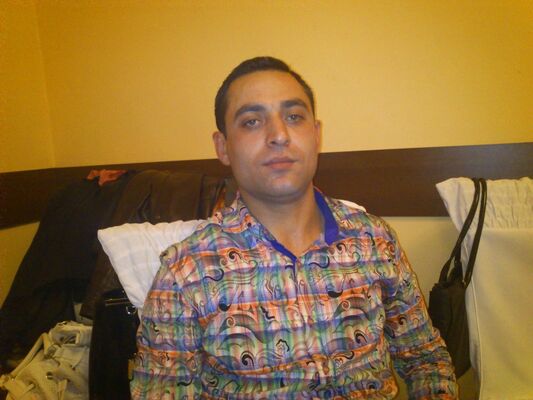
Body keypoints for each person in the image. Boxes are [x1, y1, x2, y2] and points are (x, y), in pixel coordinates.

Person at [130, 56, 458, 399]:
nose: (279, 135)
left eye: (294, 117)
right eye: (252, 121)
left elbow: (426, 360)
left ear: (316, 134)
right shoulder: (184, 272)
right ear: (223, 147)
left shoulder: (375, 241)